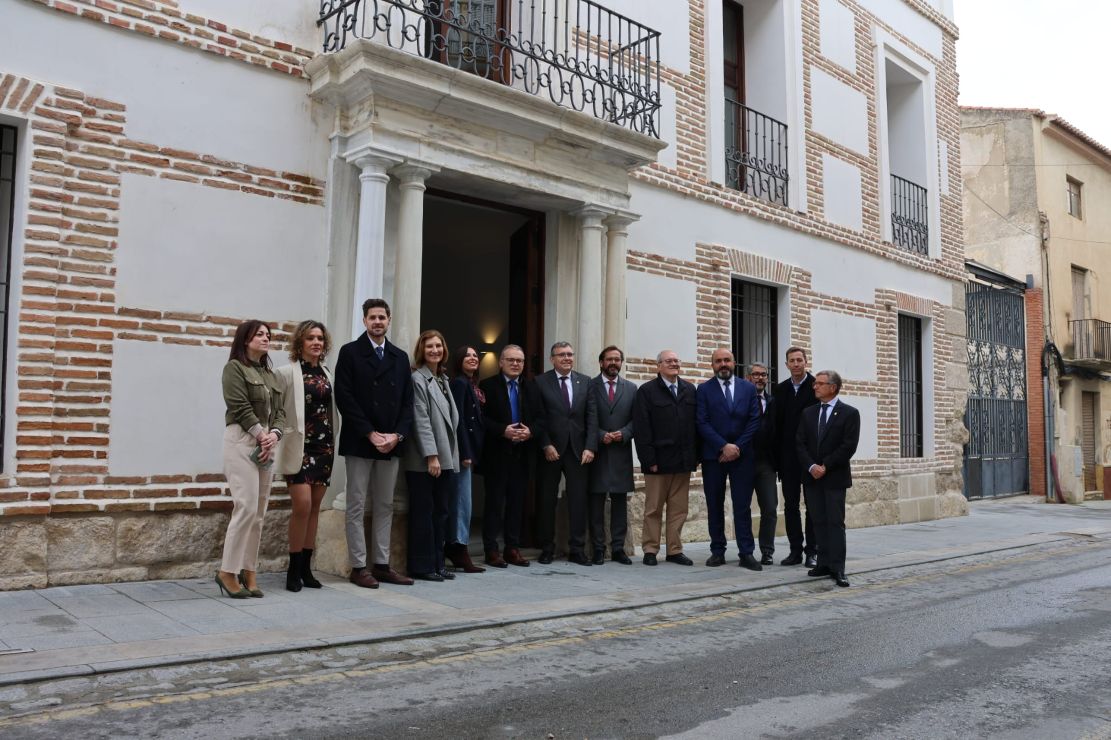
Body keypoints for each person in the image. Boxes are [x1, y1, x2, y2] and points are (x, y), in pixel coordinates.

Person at [334, 298, 414, 589]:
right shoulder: (350, 352)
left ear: (389, 320)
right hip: (360, 440)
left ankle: (381, 565)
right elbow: (344, 397)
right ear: (364, 321)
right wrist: (370, 433)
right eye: (372, 317)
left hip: (391, 442)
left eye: (382, 317)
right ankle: (358, 567)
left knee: (385, 504)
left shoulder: (399, 357)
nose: (377, 322)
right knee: (356, 504)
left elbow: (408, 402)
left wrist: (397, 436)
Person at [216, 320, 285, 599]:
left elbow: (280, 412)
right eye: (260, 334)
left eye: (268, 334)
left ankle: (249, 570)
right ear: (246, 339)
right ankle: (227, 571)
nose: (266, 338)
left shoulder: (271, 375)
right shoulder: (234, 368)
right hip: (242, 441)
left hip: (266, 443)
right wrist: (261, 435)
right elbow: (238, 405)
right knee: (245, 506)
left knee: (258, 512)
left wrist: (274, 435)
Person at [276, 320, 336, 592]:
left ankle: (305, 569)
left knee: (314, 508)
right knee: (301, 505)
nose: (316, 342)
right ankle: (292, 569)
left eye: (320, 338)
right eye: (311, 338)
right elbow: (275, 408)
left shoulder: (326, 373)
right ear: (300, 342)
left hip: (324, 448)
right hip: (299, 448)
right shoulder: (287, 373)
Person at [531, 341, 598, 565]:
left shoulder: (585, 382)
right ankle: (547, 548)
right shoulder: (540, 382)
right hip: (550, 451)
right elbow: (537, 417)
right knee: (547, 500)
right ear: (552, 359)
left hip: (578, 451)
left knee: (578, 501)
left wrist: (590, 446)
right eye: (562, 355)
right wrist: (545, 444)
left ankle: (577, 549)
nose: (567, 358)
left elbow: (592, 417)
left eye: (570, 354)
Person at [403, 330, 462, 582]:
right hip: (425, 462)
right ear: (421, 351)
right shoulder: (418, 379)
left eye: (438, 346)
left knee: (441, 513)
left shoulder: (443, 379)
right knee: (423, 514)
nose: (435, 350)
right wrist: (432, 456)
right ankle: (421, 566)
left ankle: (438, 563)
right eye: (429, 347)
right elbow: (421, 420)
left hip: (446, 458)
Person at [696, 348, 762, 570]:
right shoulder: (704, 389)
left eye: (727, 360)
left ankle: (746, 553)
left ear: (734, 363)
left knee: (742, 506)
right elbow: (702, 421)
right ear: (712, 365)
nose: (723, 364)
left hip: (742, 456)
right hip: (714, 456)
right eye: (718, 361)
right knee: (714, 504)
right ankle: (717, 551)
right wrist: (723, 446)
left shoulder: (748, 388)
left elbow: (754, 420)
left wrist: (737, 447)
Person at [632, 350, 698, 566]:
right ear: (658, 365)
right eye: (669, 361)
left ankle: (674, 550)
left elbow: (695, 426)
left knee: (679, 509)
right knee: (653, 509)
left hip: (683, 461)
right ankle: (650, 549)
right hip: (657, 462)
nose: (674, 363)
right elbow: (642, 428)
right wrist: (648, 460)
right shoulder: (647, 391)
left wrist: (694, 456)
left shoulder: (690, 389)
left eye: (677, 360)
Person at [796, 370, 860, 588]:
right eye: (815, 383)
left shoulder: (849, 413)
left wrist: (826, 466)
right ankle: (822, 563)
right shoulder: (808, 413)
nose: (815, 386)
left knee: (835, 523)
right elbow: (800, 443)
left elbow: (848, 446)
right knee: (818, 521)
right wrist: (811, 466)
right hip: (812, 477)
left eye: (820, 383)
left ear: (832, 387)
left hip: (834, 477)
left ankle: (838, 567)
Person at [478, 345, 534, 568]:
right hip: (497, 454)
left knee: (516, 504)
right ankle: (491, 550)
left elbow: (541, 419)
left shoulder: (531, 387)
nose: (515, 364)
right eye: (511, 360)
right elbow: (481, 419)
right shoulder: (487, 386)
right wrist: (503, 430)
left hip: (521, 455)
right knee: (494, 504)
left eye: (519, 360)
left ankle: (512, 548)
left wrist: (530, 432)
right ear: (501, 362)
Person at [587, 346, 636, 565]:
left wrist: (623, 433)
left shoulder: (631, 388)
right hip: (596, 452)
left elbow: (637, 420)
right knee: (596, 503)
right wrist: (599, 435)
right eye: (609, 359)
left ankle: (618, 549)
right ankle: (598, 548)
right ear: (601, 363)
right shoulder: (589, 386)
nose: (613, 363)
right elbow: (584, 417)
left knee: (619, 504)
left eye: (617, 359)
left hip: (620, 453)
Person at [773, 346, 819, 567]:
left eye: (800, 360)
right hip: (788, 458)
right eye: (792, 360)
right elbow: (776, 425)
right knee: (790, 506)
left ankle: (812, 551)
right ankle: (795, 551)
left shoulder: (816, 387)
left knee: (812, 506)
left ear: (806, 362)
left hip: (810, 457)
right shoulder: (780, 390)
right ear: (787, 365)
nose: (796, 364)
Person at [446, 345, 485, 573]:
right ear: (458, 360)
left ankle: (457, 547)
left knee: (463, 501)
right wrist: (465, 452)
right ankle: (458, 548)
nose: (472, 358)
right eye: (467, 355)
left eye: (475, 355)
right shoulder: (460, 384)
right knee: (463, 503)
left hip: (470, 451)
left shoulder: (472, 384)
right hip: (462, 453)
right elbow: (458, 420)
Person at [746, 362, 779, 565]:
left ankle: (767, 550)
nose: (760, 378)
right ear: (748, 377)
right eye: (756, 374)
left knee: (770, 508)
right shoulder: (741, 400)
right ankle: (746, 550)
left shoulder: (773, 401)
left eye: (763, 375)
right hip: (744, 462)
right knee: (743, 508)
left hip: (766, 463)